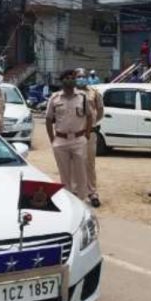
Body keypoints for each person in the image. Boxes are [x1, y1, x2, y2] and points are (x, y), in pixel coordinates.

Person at [45, 70, 93, 201]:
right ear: (62, 81)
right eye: (66, 77)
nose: (70, 79)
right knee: (64, 175)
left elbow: (89, 116)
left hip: (79, 139)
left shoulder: (82, 97)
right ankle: (69, 202)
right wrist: (52, 139)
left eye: (72, 77)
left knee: (81, 174)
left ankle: (82, 200)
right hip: (60, 140)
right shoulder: (54, 98)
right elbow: (48, 119)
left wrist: (87, 133)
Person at [75, 68, 105, 207]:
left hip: (90, 133)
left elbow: (100, 111)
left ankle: (92, 192)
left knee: (90, 164)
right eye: (78, 76)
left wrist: (91, 123)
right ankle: (75, 192)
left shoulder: (94, 93)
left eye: (83, 76)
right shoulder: (69, 93)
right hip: (74, 134)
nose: (81, 78)